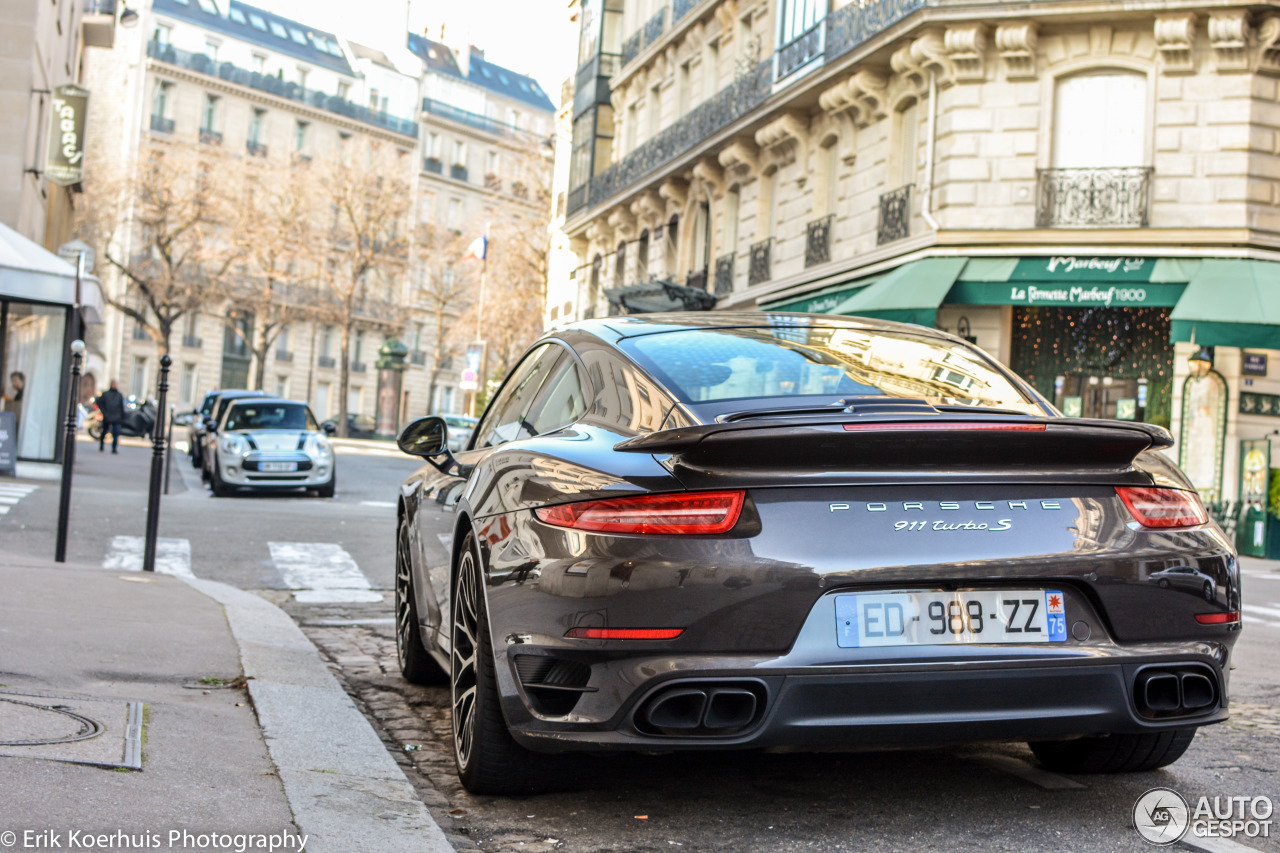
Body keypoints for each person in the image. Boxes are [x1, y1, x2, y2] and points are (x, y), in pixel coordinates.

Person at [96, 379, 126, 454]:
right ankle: (101, 445)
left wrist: (122, 416)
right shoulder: (106, 394)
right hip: (107, 416)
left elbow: (121, 406)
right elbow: (100, 402)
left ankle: (114, 448)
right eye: (113, 384)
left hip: (116, 417)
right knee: (104, 431)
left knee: (115, 433)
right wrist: (104, 412)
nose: (114, 385)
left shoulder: (119, 395)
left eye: (115, 384)